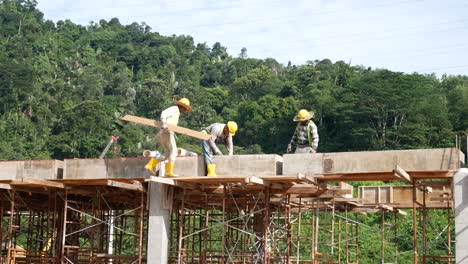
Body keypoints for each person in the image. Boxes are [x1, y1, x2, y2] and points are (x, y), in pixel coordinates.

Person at [145, 97, 192, 177]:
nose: (185, 111)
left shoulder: (177, 112)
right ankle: (169, 172)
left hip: (164, 132)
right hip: (167, 132)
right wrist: (164, 123)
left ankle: (150, 165)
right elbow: (164, 113)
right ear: (182, 106)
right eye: (185, 109)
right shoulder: (175, 109)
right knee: (174, 150)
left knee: (167, 153)